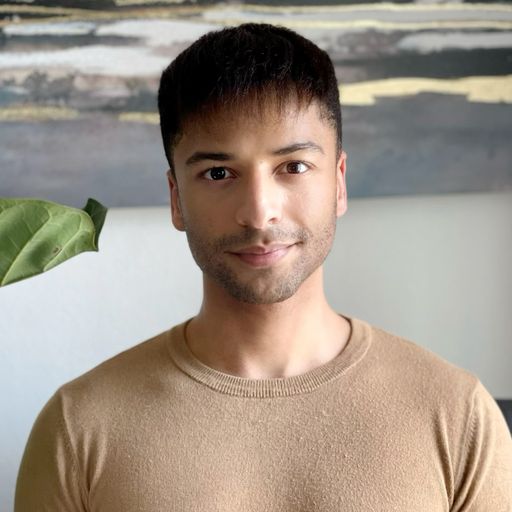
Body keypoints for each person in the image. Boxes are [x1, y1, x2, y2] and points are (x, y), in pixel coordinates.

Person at [15, 23, 511, 511]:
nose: (258, 212)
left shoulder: (457, 415)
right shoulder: (78, 429)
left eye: (293, 167)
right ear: (176, 199)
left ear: (338, 183)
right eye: (218, 173)